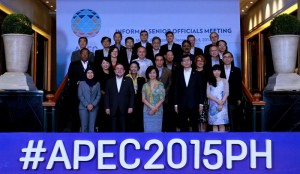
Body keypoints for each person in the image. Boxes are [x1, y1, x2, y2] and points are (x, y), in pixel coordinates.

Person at [174, 55, 204, 132]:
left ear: (191, 62)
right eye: (184, 60)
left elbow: (200, 89)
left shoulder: (197, 74)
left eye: (188, 60)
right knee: (182, 124)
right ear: (181, 63)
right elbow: (176, 89)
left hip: (194, 103)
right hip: (182, 103)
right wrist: (176, 104)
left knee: (194, 123)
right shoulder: (178, 74)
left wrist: (201, 103)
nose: (186, 62)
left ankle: (196, 140)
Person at [68, 48, 94, 131]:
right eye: (83, 53)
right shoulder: (73, 64)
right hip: (76, 93)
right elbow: (71, 76)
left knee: (90, 113)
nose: (85, 55)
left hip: (90, 94)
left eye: (86, 53)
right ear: (80, 55)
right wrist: (79, 83)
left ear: (89, 55)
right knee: (76, 113)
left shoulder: (93, 64)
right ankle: (75, 132)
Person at [105, 63, 135, 132]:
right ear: (115, 71)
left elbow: (132, 94)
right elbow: (107, 95)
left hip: (125, 108)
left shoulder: (128, 80)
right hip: (112, 108)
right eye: (117, 68)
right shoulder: (109, 81)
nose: (119, 70)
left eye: (121, 69)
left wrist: (131, 106)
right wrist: (107, 107)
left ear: (124, 71)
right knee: (113, 129)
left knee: (124, 128)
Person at [221, 51, 242, 131]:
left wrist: (239, 98)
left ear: (232, 59)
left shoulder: (237, 70)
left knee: (233, 117)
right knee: (221, 118)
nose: (227, 59)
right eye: (225, 57)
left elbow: (239, 85)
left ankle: (233, 135)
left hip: (233, 97)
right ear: (222, 59)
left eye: (229, 57)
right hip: (220, 98)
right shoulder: (218, 69)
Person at [142, 66, 165, 132]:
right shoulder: (145, 85)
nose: (152, 74)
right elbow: (143, 99)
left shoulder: (160, 84)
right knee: (147, 130)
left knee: (157, 130)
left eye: (154, 73)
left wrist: (155, 108)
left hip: (158, 111)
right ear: (147, 74)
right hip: (147, 111)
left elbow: (162, 98)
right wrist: (151, 108)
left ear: (156, 74)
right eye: (150, 73)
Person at [207, 64, 229, 132]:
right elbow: (208, 94)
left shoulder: (224, 80)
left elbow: (226, 93)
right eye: (215, 70)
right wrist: (217, 101)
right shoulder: (209, 81)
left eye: (218, 70)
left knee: (222, 124)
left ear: (221, 71)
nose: (217, 72)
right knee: (214, 124)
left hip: (223, 104)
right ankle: (215, 140)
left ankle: (222, 140)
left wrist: (221, 103)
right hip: (213, 105)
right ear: (212, 72)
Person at [94, 57, 115, 132]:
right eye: (103, 63)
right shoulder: (97, 74)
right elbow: (96, 87)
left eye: (107, 63)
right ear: (101, 64)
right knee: (102, 117)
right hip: (101, 99)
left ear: (110, 64)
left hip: (112, 99)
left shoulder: (113, 74)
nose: (105, 65)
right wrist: (105, 93)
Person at [78, 68, 101, 132]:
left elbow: (98, 95)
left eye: (92, 72)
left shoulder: (97, 83)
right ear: (86, 74)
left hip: (94, 107)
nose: (90, 74)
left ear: (94, 74)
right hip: (83, 107)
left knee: (92, 127)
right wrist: (87, 105)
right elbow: (80, 95)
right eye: (88, 73)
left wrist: (93, 105)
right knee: (84, 126)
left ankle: (92, 140)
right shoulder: (81, 83)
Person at [126, 61, 146, 132]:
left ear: (138, 68)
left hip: (138, 101)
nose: (133, 69)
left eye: (135, 67)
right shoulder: (125, 78)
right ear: (129, 68)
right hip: (128, 101)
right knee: (129, 120)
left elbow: (143, 92)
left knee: (138, 119)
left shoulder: (142, 79)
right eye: (132, 67)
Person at [154, 54, 172, 131]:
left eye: (161, 60)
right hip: (153, 99)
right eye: (157, 60)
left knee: (165, 117)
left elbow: (170, 84)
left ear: (163, 61)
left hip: (165, 99)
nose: (159, 62)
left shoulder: (168, 71)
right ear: (155, 61)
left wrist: (163, 94)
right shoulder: (151, 70)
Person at [194, 55, 209, 132]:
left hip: (205, 98)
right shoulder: (192, 72)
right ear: (195, 62)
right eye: (198, 61)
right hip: (194, 98)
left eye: (202, 61)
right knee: (195, 118)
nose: (200, 62)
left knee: (203, 118)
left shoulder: (208, 73)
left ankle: (203, 136)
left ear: (204, 62)